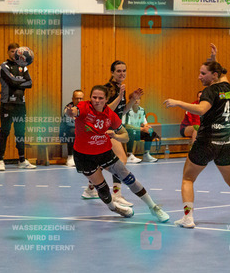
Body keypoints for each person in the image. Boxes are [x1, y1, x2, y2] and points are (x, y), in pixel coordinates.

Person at [164, 61, 230, 228]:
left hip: (207, 142)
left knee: (188, 178)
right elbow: (222, 74)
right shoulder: (228, 88)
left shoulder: (210, 91)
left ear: (214, 75)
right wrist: (214, 58)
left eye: (203, 73)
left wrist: (178, 102)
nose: (199, 77)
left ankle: (188, 218)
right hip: (225, 142)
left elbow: (201, 109)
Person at [66, 85, 169, 222]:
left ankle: (153, 207)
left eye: (100, 98)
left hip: (105, 152)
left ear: (106, 99)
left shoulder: (110, 115)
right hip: (84, 156)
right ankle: (114, 207)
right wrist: (70, 112)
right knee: (102, 188)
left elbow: (125, 137)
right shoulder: (84, 107)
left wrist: (115, 135)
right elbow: (74, 111)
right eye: (94, 97)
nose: (96, 100)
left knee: (129, 178)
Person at [82, 60, 143, 205]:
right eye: (118, 71)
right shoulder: (109, 89)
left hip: (113, 126)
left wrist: (132, 99)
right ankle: (116, 194)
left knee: (105, 162)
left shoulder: (120, 88)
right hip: (106, 128)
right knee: (120, 160)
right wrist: (119, 97)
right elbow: (104, 109)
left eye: (124, 70)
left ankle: (90, 189)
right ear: (112, 73)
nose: (122, 73)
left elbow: (122, 111)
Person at [0, 43, 36, 170]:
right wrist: (20, 81)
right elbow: (11, 81)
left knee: (20, 132)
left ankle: (22, 160)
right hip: (7, 104)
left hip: (20, 105)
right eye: (12, 51)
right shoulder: (4, 66)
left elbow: (30, 83)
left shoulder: (23, 67)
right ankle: (1, 160)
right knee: (5, 131)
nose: (15, 53)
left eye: (17, 51)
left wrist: (16, 81)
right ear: (8, 52)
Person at [123, 95, 159, 162]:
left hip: (137, 132)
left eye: (138, 99)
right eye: (134, 99)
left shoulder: (142, 110)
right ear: (130, 100)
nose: (136, 101)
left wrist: (148, 127)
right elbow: (127, 125)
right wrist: (142, 129)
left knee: (150, 132)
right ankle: (129, 155)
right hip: (127, 132)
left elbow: (145, 123)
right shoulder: (127, 110)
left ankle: (146, 154)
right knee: (131, 131)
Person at [60, 90, 83, 167]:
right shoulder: (68, 108)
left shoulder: (85, 107)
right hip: (66, 132)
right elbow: (69, 124)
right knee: (73, 131)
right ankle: (70, 157)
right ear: (72, 99)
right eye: (77, 98)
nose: (79, 100)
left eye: (80, 98)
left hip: (81, 130)